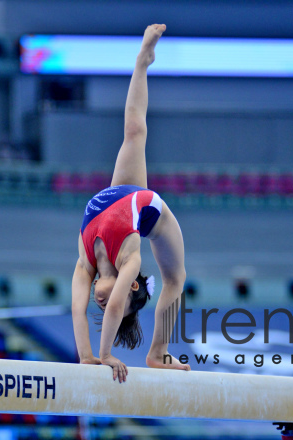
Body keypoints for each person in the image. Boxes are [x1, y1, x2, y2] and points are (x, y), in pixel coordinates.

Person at [71, 24, 191, 383]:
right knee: (176, 277)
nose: (101, 302)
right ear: (134, 285)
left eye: (102, 304)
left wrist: (86, 357)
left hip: (113, 199)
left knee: (134, 131)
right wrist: (105, 354)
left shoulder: (85, 264)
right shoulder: (131, 260)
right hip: (148, 210)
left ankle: (142, 62)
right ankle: (157, 352)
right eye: (110, 305)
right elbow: (117, 306)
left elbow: (76, 308)